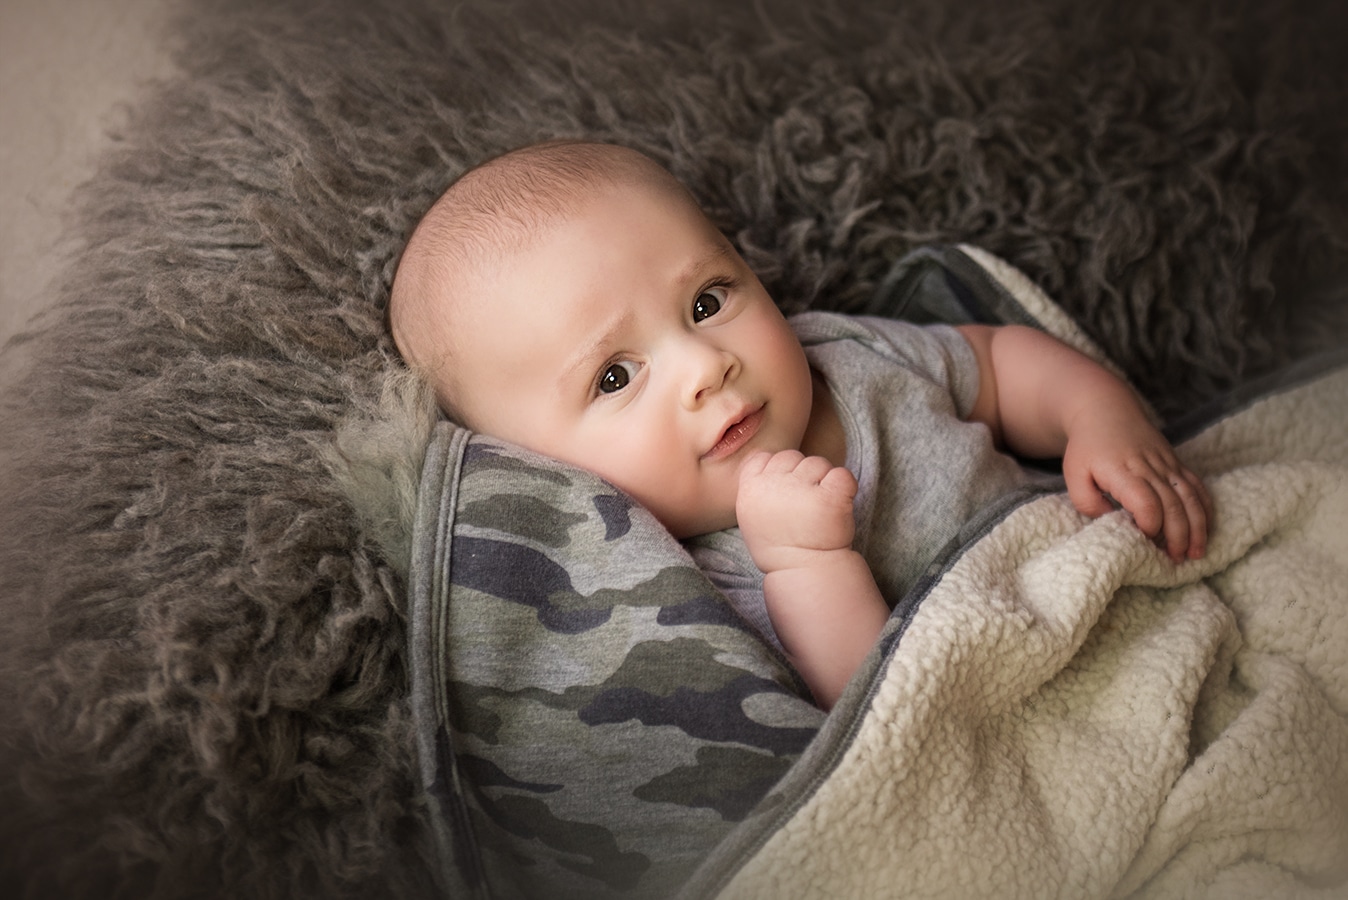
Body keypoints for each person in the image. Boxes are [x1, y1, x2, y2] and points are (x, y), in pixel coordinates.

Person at [388, 140, 1213, 709]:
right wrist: (806, 564)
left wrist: (1098, 417)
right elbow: (875, 714)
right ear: (542, 469)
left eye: (708, 301)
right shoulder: (677, 584)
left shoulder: (841, 354)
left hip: (1116, 591)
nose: (704, 365)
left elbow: (996, 363)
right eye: (614, 376)